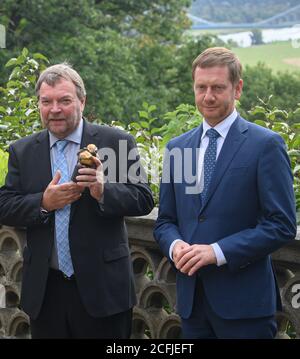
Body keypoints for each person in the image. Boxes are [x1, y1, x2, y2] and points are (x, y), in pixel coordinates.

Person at [0, 63, 154, 338]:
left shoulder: (114, 143)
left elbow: (143, 199)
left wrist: (103, 191)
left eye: (64, 100)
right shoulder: (22, 151)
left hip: (104, 291)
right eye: (46, 102)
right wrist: (43, 202)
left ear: (82, 101)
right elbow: (5, 205)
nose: (54, 109)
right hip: (46, 293)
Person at [154, 47, 297, 339]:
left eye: (218, 88)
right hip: (191, 305)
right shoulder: (177, 148)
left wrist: (217, 252)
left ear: (237, 88)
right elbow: (165, 220)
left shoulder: (265, 145)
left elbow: (281, 224)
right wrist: (175, 245)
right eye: (201, 87)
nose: (208, 96)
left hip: (245, 307)